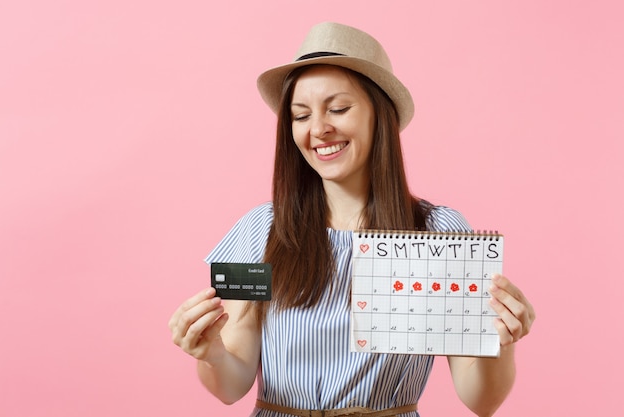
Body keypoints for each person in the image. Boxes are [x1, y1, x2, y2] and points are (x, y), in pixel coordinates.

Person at [168, 22, 535, 417]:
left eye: (338, 108)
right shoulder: (260, 230)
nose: (319, 130)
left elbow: (480, 399)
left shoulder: (439, 233)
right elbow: (231, 384)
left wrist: (503, 343)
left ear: (381, 115)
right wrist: (211, 354)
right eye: (300, 115)